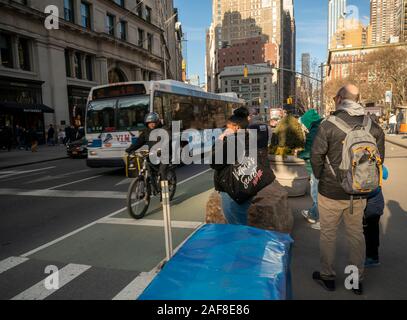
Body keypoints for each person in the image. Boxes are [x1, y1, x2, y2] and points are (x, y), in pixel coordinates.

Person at [311, 84, 385, 295]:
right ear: (358, 99)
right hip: (360, 191)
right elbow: (379, 160)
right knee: (356, 236)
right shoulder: (373, 126)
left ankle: (327, 277)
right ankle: (355, 280)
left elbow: (316, 157)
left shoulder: (328, 125)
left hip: (331, 192)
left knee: (328, 234)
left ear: (340, 98)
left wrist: (322, 177)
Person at [211, 115, 252, 225]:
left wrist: (220, 139)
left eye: (228, 127)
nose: (226, 130)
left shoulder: (233, 141)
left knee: (235, 223)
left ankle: (241, 241)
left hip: (232, 188)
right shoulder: (249, 137)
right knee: (242, 219)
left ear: (237, 127)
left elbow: (214, 162)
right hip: (246, 185)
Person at [126, 112, 170, 181]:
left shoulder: (164, 129)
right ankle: (148, 189)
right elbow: (139, 142)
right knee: (147, 171)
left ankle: (165, 190)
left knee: (162, 172)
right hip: (152, 155)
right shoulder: (146, 132)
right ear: (147, 123)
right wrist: (129, 150)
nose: (152, 124)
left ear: (157, 122)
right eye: (149, 123)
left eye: (154, 122)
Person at [298, 109, 323, 231]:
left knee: (316, 193)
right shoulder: (322, 127)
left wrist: (299, 154)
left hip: (316, 167)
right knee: (319, 193)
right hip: (323, 166)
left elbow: (307, 152)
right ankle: (314, 213)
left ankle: (315, 216)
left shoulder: (313, 133)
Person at [364, 166, 388, 268]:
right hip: (377, 201)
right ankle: (373, 255)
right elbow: (386, 175)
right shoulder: (376, 160)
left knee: (368, 232)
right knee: (373, 230)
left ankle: (372, 257)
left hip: (366, 202)